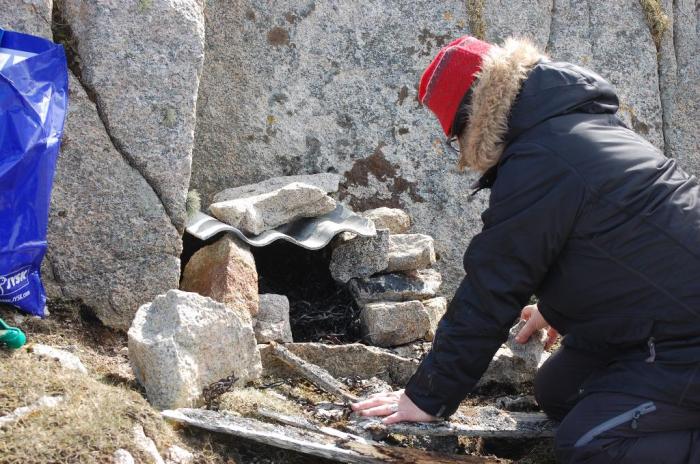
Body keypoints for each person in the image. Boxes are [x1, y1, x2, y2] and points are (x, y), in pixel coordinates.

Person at [351, 35, 700, 463]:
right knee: (560, 391)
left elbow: (493, 287)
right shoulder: (572, 125)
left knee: (590, 445)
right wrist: (557, 307)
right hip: (673, 319)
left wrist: (427, 398)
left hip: (685, 339)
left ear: (471, 120)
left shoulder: (540, 159)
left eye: (455, 137)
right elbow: (619, 240)